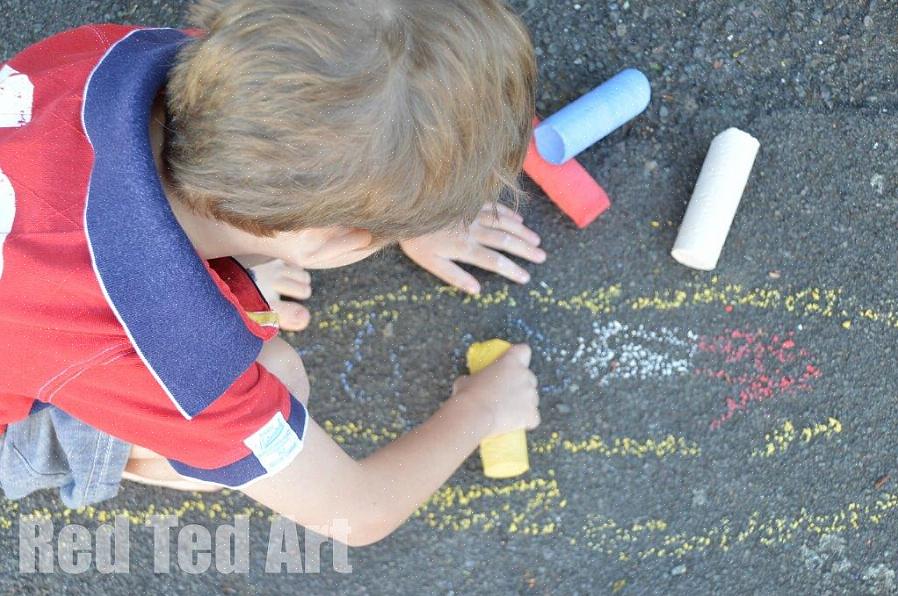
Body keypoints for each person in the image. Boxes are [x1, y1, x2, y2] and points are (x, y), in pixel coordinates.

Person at [0, 0, 543, 546]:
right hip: (46, 369)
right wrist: (483, 408)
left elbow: (335, 102)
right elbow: (358, 512)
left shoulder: (112, 56)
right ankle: (118, 447)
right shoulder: (177, 363)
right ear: (336, 242)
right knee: (280, 377)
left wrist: (398, 205)